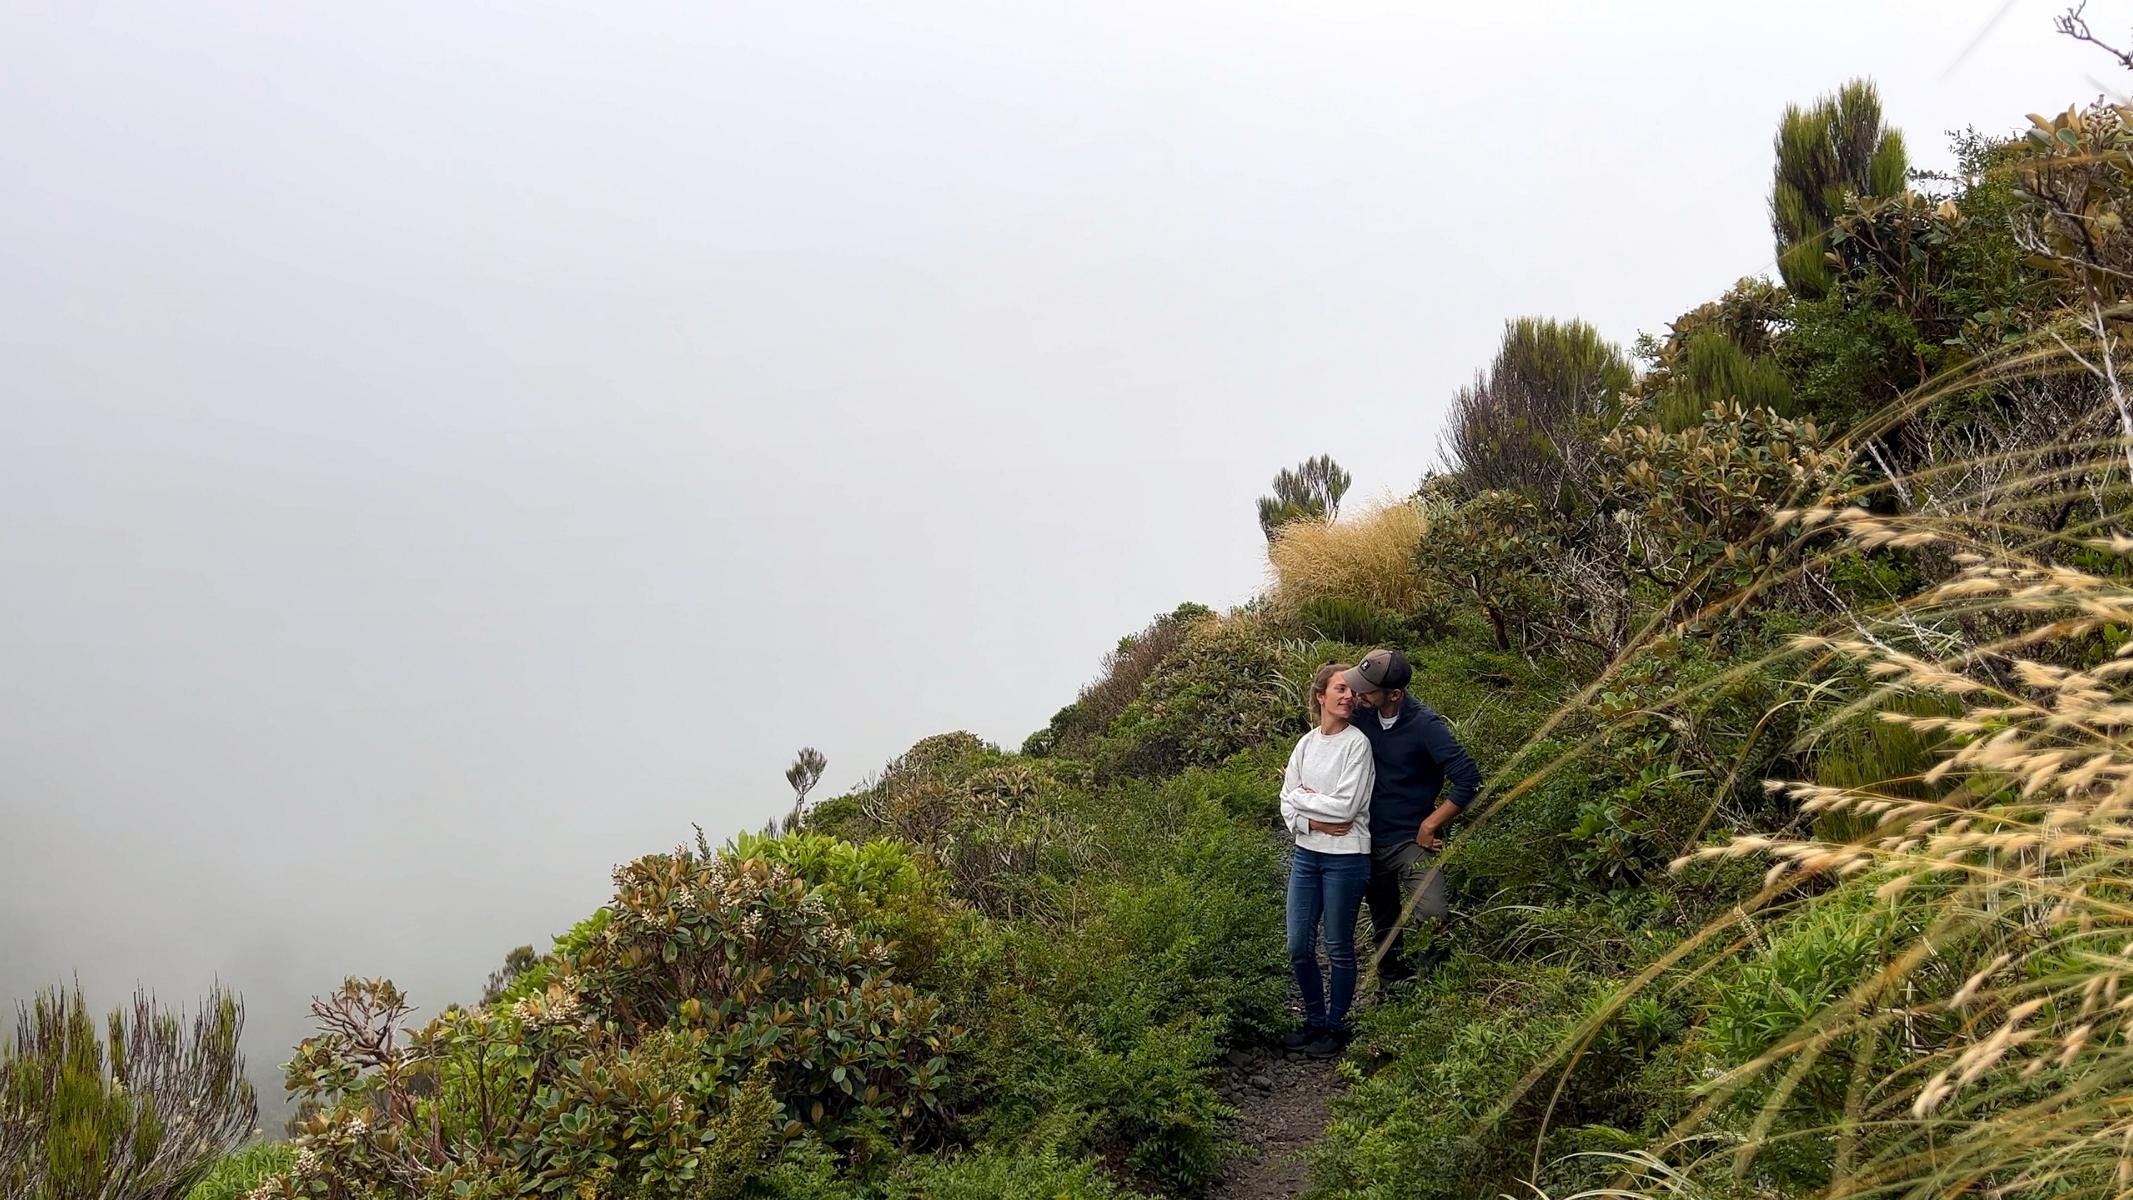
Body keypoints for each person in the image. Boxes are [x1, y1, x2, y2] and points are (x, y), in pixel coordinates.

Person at [1342, 648, 1483, 984]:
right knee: (1384, 918)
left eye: (1367, 689)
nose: (1358, 694)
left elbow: (1470, 779)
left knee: (1434, 915)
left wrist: (1431, 823)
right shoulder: (1362, 714)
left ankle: (1431, 989)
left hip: (1411, 840)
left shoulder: (1425, 726)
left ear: (1394, 694)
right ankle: (1391, 987)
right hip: (1367, 838)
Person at [1278, 662, 1376, 1057]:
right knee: (1299, 945)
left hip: (1347, 857)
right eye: (1340, 689)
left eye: (1351, 691)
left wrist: (1303, 800)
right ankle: (1314, 1021)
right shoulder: (1305, 744)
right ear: (1321, 696)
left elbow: (1347, 808)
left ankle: (1335, 1028)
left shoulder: (1358, 744)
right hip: (1307, 856)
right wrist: (1313, 819)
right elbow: (1285, 803)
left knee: (1337, 946)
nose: (1349, 696)